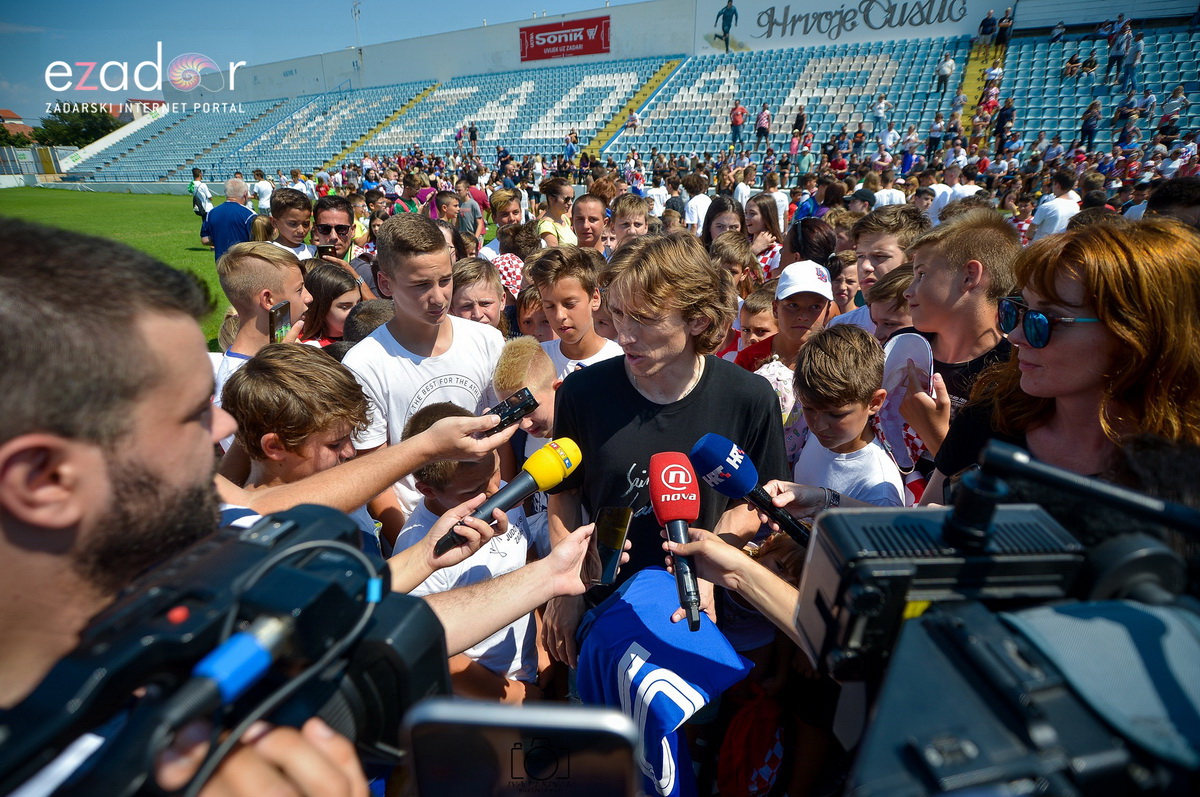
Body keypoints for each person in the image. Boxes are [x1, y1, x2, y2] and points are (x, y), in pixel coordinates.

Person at [0, 220, 604, 797]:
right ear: (45, 479)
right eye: (189, 414)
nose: (224, 427)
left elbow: (352, 619)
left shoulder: (199, 532)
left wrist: (536, 572)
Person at [542, 232, 788, 667]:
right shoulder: (582, 393)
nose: (625, 334)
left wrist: (713, 563)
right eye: (617, 315)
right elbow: (564, 494)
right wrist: (564, 585)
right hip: (603, 609)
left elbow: (758, 502)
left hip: (700, 614)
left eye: (644, 318)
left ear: (697, 319)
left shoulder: (750, 398)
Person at [342, 214, 506, 520]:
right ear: (385, 284)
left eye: (445, 280)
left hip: (489, 511)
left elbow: (501, 440)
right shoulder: (364, 364)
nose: (438, 297)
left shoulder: (487, 340)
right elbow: (373, 474)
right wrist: (407, 545)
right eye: (420, 285)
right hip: (417, 523)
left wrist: (503, 504)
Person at [791, 325, 905, 506]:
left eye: (835, 415)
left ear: (874, 402)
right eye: (809, 409)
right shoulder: (825, 434)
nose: (818, 425)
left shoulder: (879, 491)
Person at [527, 244, 623, 379]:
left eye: (570, 304)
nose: (560, 316)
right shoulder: (535, 360)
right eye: (549, 306)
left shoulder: (620, 361)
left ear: (595, 298)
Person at [300, 262, 362, 348]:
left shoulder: (366, 336)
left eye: (359, 303)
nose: (356, 312)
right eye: (345, 307)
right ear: (321, 308)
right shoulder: (313, 348)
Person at [201, 178, 256, 261]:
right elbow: (258, 241)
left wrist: (221, 241)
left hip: (221, 263)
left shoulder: (212, 213)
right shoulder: (249, 214)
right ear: (245, 194)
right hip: (244, 262)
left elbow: (205, 240)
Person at [1028, 171, 1081, 240]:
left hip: (1041, 246)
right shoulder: (1076, 206)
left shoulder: (1047, 206)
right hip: (1061, 246)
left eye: (1053, 184)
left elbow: (1031, 231)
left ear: (1057, 185)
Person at [267, 187, 317, 260]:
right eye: (293, 224)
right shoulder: (267, 253)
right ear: (274, 222)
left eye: (305, 224)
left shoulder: (313, 252)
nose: (301, 230)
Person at [536, 177, 576, 247]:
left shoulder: (564, 218)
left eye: (572, 198)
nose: (570, 203)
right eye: (566, 199)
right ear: (551, 199)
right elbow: (555, 256)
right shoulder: (546, 226)